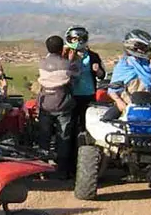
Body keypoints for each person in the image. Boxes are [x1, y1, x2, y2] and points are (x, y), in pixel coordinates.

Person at [35, 35, 80, 179]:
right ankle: (62, 171)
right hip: (63, 105)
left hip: (45, 104)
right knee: (64, 138)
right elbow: (76, 74)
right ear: (62, 48)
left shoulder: (42, 63)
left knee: (44, 138)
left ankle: (41, 170)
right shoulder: (67, 64)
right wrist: (71, 59)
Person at [108, 29, 151, 112]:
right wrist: (119, 102)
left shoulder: (147, 63)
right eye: (142, 47)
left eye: (146, 47)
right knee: (107, 119)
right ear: (132, 46)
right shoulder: (123, 65)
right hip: (127, 104)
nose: (144, 50)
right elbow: (112, 90)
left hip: (148, 104)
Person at [64, 26, 106, 135]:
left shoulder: (93, 56)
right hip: (71, 94)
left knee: (87, 123)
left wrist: (98, 71)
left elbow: (102, 75)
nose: (77, 42)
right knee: (71, 124)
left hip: (88, 93)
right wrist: (69, 60)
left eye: (80, 39)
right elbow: (61, 73)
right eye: (74, 39)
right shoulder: (65, 55)